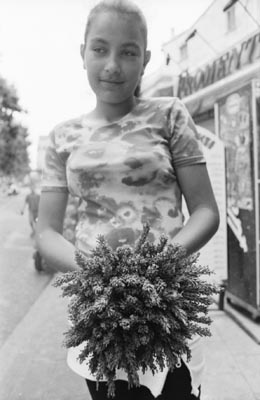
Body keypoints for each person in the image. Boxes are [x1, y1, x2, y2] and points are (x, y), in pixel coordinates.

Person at [36, 1, 219, 399]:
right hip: (99, 315)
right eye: (100, 49)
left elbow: (205, 211)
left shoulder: (170, 115)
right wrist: (97, 274)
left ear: (146, 58)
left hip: (169, 306)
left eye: (129, 51)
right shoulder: (62, 137)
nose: (113, 65)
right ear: (82, 53)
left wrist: (157, 266)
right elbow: (47, 231)